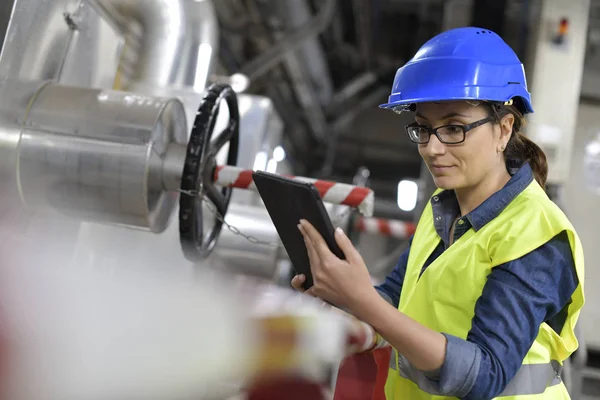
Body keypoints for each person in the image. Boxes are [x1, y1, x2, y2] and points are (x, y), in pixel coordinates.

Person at [291, 26, 585, 399]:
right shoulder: (443, 210)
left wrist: (363, 300)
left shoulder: (537, 235)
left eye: (454, 128)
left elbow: (485, 374)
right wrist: (341, 297)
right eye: (424, 129)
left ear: (503, 129)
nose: (432, 149)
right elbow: (395, 301)